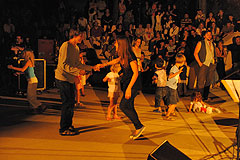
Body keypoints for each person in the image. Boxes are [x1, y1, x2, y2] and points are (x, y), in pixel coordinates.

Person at [98, 36, 145, 140]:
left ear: (121, 44)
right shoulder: (123, 55)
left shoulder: (130, 56)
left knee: (123, 106)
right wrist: (104, 65)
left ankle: (139, 126)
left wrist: (129, 89)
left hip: (133, 85)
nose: (114, 44)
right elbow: (116, 61)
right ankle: (138, 128)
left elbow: (136, 73)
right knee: (130, 106)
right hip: (128, 83)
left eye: (116, 43)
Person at [55, 28, 97, 136]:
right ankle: (63, 128)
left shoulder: (76, 48)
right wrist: (78, 71)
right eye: (81, 36)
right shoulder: (66, 46)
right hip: (62, 78)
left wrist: (91, 67)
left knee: (71, 103)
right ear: (74, 35)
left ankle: (69, 125)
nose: (82, 38)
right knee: (66, 104)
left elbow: (78, 64)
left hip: (70, 78)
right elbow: (63, 65)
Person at [7, 49, 47, 114]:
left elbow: (23, 70)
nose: (22, 55)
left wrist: (12, 67)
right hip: (32, 80)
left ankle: (40, 105)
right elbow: (27, 72)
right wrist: (18, 73)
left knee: (30, 97)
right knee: (32, 96)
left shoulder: (28, 61)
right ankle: (35, 108)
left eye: (24, 54)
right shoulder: (28, 62)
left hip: (32, 81)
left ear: (27, 55)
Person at [194, 31, 217, 101]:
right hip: (204, 64)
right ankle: (199, 97)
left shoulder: (213, 44)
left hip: (211, 64)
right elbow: (195, 53)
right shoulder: (201, 43)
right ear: (204, 36)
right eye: (207, 34)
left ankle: (205, 97)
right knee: (201, 81)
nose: (209, 36)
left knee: (208, 81)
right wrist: (200, 63)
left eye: (210, 34)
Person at [164, 53, 185, 121]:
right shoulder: (174, 68)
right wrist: (178, 73)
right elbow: (170, 76)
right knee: (173, 103)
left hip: (174, 87)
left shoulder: (176, 68)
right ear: (182, 62)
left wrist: (178, 78)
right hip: (171, 87)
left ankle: (171, 111)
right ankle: (167, 115)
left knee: (176, 101)